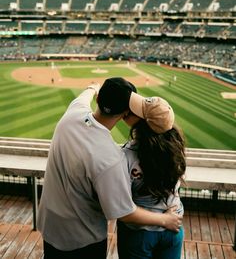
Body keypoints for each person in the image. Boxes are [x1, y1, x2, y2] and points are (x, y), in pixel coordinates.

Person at [37, 77, 182, 258]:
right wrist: (165, 220)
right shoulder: (110, 158)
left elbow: (83, 97)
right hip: (83, 239)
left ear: (98, 100)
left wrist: (92, 87)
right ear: (124, 114)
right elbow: (124, 211)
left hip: (51, 226)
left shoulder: (73, 113)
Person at [117, 93, 186, 259]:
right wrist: (166, 220)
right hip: (173, 228)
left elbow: (122, 209)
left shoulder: (126, 155)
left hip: (139, 234)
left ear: (144, 124)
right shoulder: (175, 149)